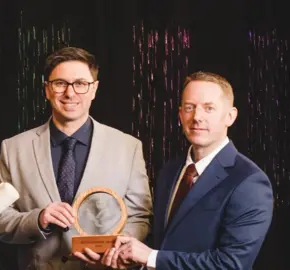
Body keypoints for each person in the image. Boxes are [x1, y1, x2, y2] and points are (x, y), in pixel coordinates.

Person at [0, 47, 153, 269]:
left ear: (94, 89)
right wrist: (38, 219)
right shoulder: (13, 148)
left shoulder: (128, 147)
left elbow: (140, 217)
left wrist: (117, 246)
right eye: (60, 83)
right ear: (47, 89)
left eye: (80, 84)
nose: (70, 93)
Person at [102, 71, 274, 270]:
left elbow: (232, 264)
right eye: (189, 107)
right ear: (180, 114)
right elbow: (163, 242)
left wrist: (151, 257)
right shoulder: (170, 171)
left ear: (230, 116)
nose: (197, 117)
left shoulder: (249, 182)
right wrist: (126, 253)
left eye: (209, 108)